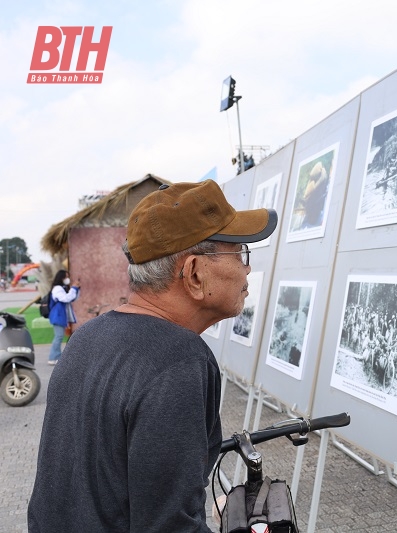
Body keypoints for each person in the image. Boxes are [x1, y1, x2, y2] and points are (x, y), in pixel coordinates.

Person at [29, 180, 278, 532]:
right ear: (194, 273)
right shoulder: (180, 361)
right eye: (239, 253)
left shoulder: (88, 336)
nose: (246, 268)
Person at [47, 269, 80, 365]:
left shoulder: (62, 288)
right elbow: (66, 298)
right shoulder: (57, 288)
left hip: (60, 316)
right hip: (57, 316)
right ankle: (53, 357)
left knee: (59, 336)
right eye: (66, 277)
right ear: (61, 278)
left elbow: (72, 298)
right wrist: (74, 288)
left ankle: (56, 356)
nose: (68, 279)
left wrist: (76, 289)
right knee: (58, 336)